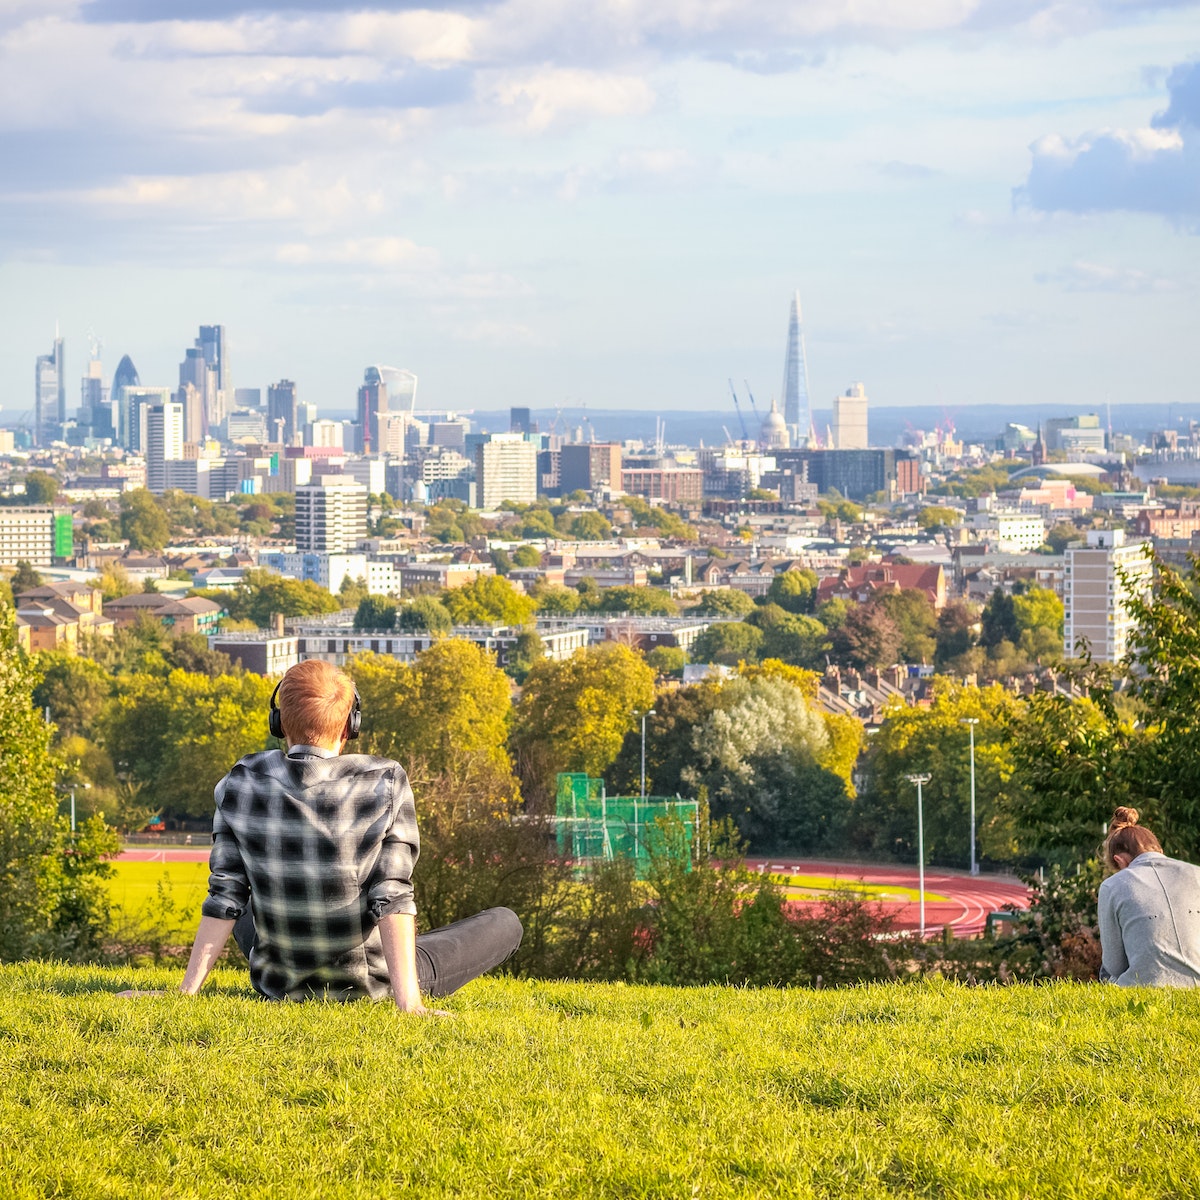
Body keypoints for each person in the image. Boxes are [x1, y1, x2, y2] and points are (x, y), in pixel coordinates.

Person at [175, 659, 522, 1011]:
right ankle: (403, 976)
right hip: (368, 983)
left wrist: (186, 992)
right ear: (349, 726)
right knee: (505, 922)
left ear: (279, 722)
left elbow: (226, 896)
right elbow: (392, 897)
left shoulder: (241, 780)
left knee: (244, 898)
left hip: (279, 983)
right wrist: (410, 1004)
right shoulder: (384, 781)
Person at [1098, 806, 1200, 988]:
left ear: (1120, 861)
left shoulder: (1111, 886)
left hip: (1146, 986)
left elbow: (1114, 965)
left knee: (1106, 974)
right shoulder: (1196, 873)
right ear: (1159, 850)